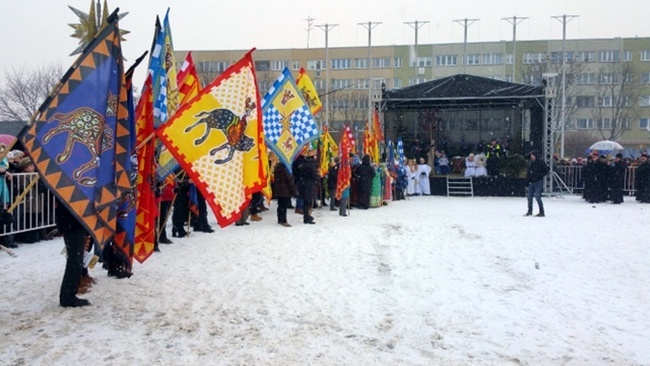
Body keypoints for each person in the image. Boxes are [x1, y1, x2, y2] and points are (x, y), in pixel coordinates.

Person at [55, 200, 91, 307]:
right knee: (74, 260)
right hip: (71, 222)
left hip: (75, 221)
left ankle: (69, 293)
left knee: (76, 259)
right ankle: (68, 296)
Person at [297, 148, 319, 224]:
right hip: (309, 185)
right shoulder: (311, 165)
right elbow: (314, 176)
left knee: (306, 202)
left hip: (304, 185)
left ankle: (307, 216)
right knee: (308, 202)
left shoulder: (303, 165)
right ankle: (307, 217)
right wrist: (318, 176)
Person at [524, 151, 549, 217]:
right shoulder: (530, 163)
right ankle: (530, 211)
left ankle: (541, 211)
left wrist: (540, 176)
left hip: (538, 181)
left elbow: (546, 170)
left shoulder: (540, 162)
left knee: (537, 196)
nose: (531, 157)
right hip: (531, 181)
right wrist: (527, 181)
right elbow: (528, 173)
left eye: (533, 155)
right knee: (529, 197)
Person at [273, 162, 297, 227]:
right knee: (284, 206)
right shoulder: (286, 170)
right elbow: (290, 181)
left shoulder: (277, 169)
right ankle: (283, 220)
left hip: (279, 189)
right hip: (285, 190)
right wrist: (294, 191)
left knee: (280, 205)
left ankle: (280, 219)